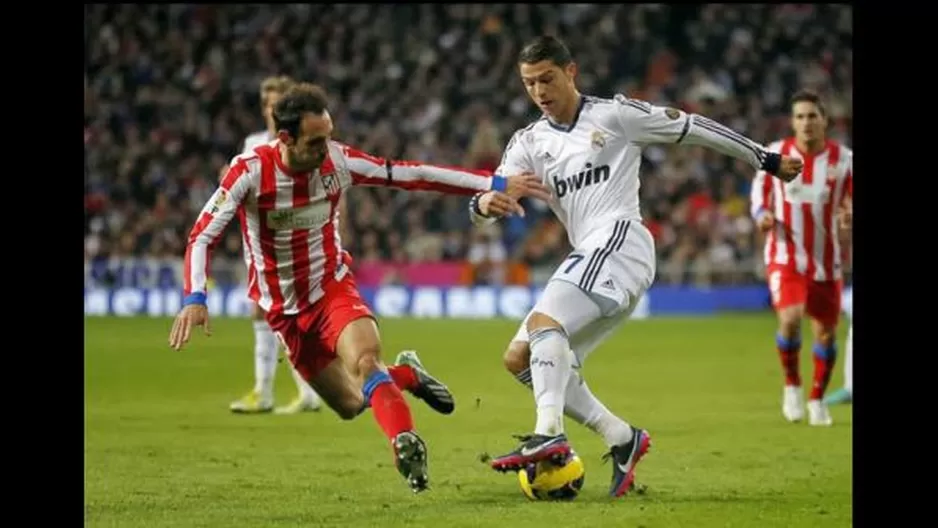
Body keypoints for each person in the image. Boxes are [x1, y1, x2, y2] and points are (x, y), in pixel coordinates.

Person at [168, 82, 550, 493]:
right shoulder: (250, 171)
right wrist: (195, 297)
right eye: (316, 141)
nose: (326, 148)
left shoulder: (337, 161)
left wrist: (492, 183)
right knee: (351, 404)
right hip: (284, 311)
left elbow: (413, 175)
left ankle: (405, 444)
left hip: (332, 288)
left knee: (366, 360)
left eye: (329, 135)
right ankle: (407, 375)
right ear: (286, 139)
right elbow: (201, 236)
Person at [468, 36, 801, 498]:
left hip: (622, 241)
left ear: (571, 72)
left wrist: (763, 158)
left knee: (546, 323)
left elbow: (693, 126)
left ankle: (549, 433)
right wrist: (485, 204)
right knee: (521, 358)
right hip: (590, 253)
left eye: (547, 78)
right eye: (529, 83)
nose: (539, 90)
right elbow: (490, 192)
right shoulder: (529, 142)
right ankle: (622, 437)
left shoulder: (615, 116)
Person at [749, 90, 853, 426]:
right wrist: (763, 214)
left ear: (824, 120)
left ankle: (817, 398)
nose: (806, 123)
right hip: (785, 253)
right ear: (792, 122)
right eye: (800, 117)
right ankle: (792, 385)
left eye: (812, 116)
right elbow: (759, 195)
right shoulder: (777, 154)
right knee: (790, 319)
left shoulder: (843, 160)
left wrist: (848, 214)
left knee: (825, 333)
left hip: (827, 259)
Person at [226, 75, 323, 415]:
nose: (270, 109)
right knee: (263, 310)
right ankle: (284, 390)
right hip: (259, 239)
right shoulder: (252, 142)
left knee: (280, 314)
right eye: (266, 104)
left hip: (293, 237)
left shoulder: (305, 142)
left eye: (276, 103)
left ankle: (280, 390)